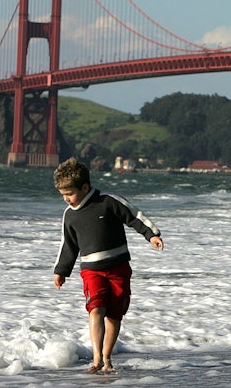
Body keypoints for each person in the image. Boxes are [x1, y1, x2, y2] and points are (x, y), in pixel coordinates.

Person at [53, 157, 164, 374]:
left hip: (119, 269)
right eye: (63, 195)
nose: (66, 199)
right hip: (91, 271)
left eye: (70, 194)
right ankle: (95, 358)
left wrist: (151, 235)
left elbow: (134, 217)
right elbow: (68, 245)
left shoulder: (108, 202)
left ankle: (107, 357)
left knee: (114, 315)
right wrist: (61, 271)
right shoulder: (69, 215)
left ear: (85, 187)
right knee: (95, 309)